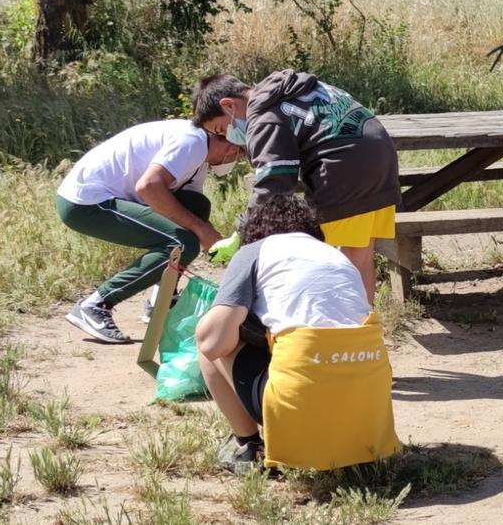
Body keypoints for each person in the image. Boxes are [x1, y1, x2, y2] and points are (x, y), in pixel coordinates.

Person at [195, 194, 400, 473]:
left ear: (251, 231)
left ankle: (248, 447)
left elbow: (212, 342)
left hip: (299, 406)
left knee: (210, 338)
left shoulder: (255, 250)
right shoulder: (336, 256)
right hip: (369, 417)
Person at [191, 71, 401, 301]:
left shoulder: (264, 117)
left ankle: (337, 330)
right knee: (359, 257)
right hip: (381, 157)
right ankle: (363, 330)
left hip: (344, 171)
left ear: (228, 105)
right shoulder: (289, 90)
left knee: (328, 262)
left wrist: (241, 232)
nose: (230, 138)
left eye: (222, 129)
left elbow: (273, 182)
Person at [57, 119, 240, 343]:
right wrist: (202, 232)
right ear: (232, 147)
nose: (235, 161)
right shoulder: (192, 143)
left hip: (110, 196)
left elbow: (188, 210)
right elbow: (148, 188)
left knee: (197, 205)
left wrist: (215, 239)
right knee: (181, 244)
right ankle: (95, 304)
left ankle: (161, 301)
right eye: (239, 155)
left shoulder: (199, 155)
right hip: (87, 202)